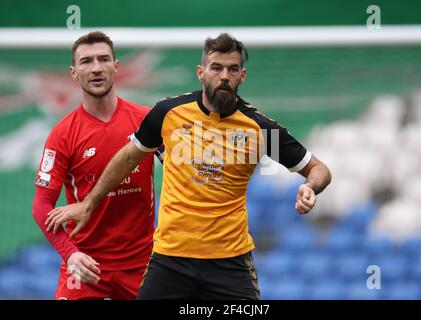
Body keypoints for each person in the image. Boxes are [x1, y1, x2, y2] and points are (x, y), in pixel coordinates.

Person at [46, 33, 332, 299]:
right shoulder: (167, 113)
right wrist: (89, 203)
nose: (224, 76)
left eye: (232, 69)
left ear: (242, 76)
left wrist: (310, 186)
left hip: (230, 262)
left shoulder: (259, 128)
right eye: (216, 67)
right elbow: (128, 157)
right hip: (170, 260)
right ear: (201, 72)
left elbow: (318, 169)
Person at [32, 31, 161, 300]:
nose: (96, 68)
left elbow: (183, 172)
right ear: (73, 72)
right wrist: (71, 255)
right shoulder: (62, 134)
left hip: (143, 266)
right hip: (85, 267)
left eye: (103, 59)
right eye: (86, 61)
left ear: (116, 67)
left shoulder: (148, 120)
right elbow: (41, 205)